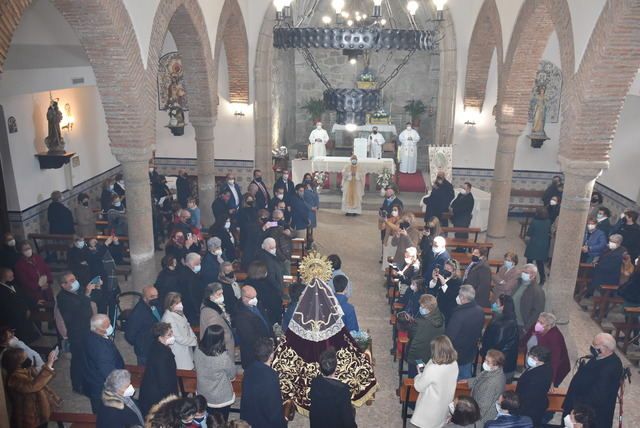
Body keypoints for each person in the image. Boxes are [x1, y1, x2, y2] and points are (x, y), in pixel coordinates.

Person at [562, 333, 623, 428]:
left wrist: (578, 410)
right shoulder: (600, 356)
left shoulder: (611, 367)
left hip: (589, 413)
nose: (592, 347)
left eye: (595, 346)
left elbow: (598, 395)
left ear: (606, 348)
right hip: (578, 403)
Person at [2, 346, 61, 428]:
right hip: (27, 418)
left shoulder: (27, 370)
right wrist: (48, 366)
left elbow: (42, 383)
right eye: (24, 359)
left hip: (39, 412)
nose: (28, 359)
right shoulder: (14, 379)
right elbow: (33, 386)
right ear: (16, 364)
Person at [56, 272, 94, 393]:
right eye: (71, 280)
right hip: (77, 332)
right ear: (63, 285)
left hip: (87, 329)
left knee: (86, 357)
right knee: (78, 359)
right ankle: (77, 386)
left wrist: (95, 288)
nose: (75, 282)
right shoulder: (63, 298)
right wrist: (87, 295)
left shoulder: (77, 291)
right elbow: (80, 313)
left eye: (75, 278)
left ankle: (86, 381)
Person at [410, 335, 459, 428]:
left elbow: (419, 386)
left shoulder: (434, 368)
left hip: (431, 407)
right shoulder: (454, 363)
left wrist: (419, 375)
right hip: (444, 404)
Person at [240, 338, 287, 428]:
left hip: (249, 418)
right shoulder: (271, 376)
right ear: (271, 356)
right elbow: (274, 408)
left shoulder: (249, 369)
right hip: (264, 422)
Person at [194, 324, 237, 422]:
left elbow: (196, 366)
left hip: (203, 391)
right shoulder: (222, 357)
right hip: (220, 396)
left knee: (209, 417)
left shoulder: (197, 349)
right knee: (221, 419)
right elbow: (232, 373)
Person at [83, 314, 124, 413]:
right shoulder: (102, 349)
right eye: (107, 325)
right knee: (103, 411)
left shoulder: (90, 335)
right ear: (98, 329)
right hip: (101, 385)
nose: (111, 327)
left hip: (93, 378)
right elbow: (108, 372)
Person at [310, 347, 357, 428]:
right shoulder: (342, 390)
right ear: (335, 369)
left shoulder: (314, 382)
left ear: (320, 368)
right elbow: (347, 420)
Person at [139, 322, 179, 416]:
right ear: (160, 337)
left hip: (153, 389)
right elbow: (164, 381)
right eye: (169, 334)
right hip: (157, 396)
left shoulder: (157, 346)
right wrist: (172, 399)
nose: (172, 336)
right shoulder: (162, 355)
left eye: (172, 332)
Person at [445, 284, 484, 380]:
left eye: (459, 295)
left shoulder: (459, 314)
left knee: (454, 378)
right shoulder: (479, 310)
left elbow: (450, 336)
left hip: (456, 352)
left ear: (463, 298)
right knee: (466, 378)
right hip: (470, 350)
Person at [522, 312, 570, 388]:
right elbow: (525, 339)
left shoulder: (555, 337)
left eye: (542, 323)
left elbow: (555, 360)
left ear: (549, 326)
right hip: (533, 360)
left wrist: (551, 380)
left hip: (554, 367)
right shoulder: (536, 325)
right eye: (538, 320)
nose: (538, 324)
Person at [481, 295, 519, 381]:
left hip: (497, 364)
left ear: (503, 307)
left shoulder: (502, 325)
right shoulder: (511, 320)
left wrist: (484, 350)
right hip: (507, 364)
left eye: (497, 303)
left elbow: (496, 345)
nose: (494, 304)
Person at [234, 285, 273, 369]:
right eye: (252, 297)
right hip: (254, 353)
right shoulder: (240, 314)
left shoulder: (258, 304)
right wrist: (266, 344)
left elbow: (266, 320)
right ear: (244, 298)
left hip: (266, 347)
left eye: (255, 296)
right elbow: (249, 337)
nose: (255, 299)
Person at [406, 294, 445, 378]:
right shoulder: (441, 317)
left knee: (415, 377)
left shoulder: (419, 323)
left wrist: (411, 323)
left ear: (428, 308)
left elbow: (411, 335)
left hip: (418, 355)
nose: (420, 308)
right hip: (432, 354)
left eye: (422, 306)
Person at [515, 346, 553, 427]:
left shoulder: (537, 377)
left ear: (540, 360)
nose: (529, 358)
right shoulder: (543, 367)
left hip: (529, 409)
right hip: (536, 405)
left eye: (533, 357)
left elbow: (528, 397)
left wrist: (518, 409)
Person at [0, 268, 40, 343]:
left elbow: (23, 296)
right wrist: (24, 310)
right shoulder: (2, 291)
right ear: (3, 277)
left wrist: (34, 302)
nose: (13, 278)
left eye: (13, 276)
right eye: (10, 277)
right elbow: (9, 306)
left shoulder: (14, 285)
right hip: (12, 320)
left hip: (22, 316)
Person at [125, 285, 161, 365]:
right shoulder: (138, 313)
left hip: (156, 347)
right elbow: (129, 335)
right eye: (152, 296)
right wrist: (141, 343)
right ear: (144, 298)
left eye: (157, 296)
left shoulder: (156, 305)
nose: (155, 298)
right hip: (145, 351)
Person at [468, 349, 506, 426]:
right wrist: (468, 381)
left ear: (496, 365)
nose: (485, 363)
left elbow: (483, 406)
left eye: (488, 362)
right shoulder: (495, 371)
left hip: (483, 416)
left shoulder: (492, 383)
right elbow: (482, 376)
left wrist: (472, 420)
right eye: (485, 360)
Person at [161, 292, 198, 370]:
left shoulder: (179, 312)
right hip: (179, 350)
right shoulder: (168, 318)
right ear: (170, 305)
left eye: (180, 301)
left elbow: (187, 325)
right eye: (177, 303)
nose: (180, 304)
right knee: (183, 371)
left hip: (186, 346)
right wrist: (194, 341)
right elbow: (177, 337)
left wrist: (194, 337)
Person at [200, 283, 235, 356]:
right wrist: (228, 338)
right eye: (219, 294)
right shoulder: (210, 313)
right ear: (211, 296)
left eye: (222, 293)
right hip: (221, 348)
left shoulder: (216, 305)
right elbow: (215, 334)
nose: (222, 296)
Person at [249, 260, 284, 327]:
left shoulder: (248, 283)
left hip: (254, 318)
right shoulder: (268, 284)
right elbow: (276, 301)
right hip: (269, 316)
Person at [512, 264, 545, 333]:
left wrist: (527, 327)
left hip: (522, 325)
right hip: (512, 321)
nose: (523, 274)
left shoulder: (537, 291)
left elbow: (537, 312)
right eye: (523, 272)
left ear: (533, 275)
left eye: (526, 273)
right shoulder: (518, 283)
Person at [524, 207, 552, 285]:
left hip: (533, 244)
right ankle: (542, 279)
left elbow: (529, 233)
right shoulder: (548, 222)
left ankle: (528, 276)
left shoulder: (534, 222)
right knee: (540, 263)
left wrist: (526, 241)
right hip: (543, 245)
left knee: (529, 262)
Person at [430, 259, 462, 323]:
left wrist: (443, 284)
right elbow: (433, 288)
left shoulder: (457, 281)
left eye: (448, 269)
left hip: (448, 309)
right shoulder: (443, 276)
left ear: (454, 271)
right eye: (445, 268)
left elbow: (451, 295)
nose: (446, 270)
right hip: (438, 306)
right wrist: (434, 280)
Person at [177, 252, 205, 325]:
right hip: (192, 312)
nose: (199, 266)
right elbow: (191, 296)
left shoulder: (184, 272)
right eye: (198, 264)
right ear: (192, 263)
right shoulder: (190, 278)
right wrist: (198, 312)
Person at [381, 204, 402, 271]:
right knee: (386, 257)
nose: (393, 211)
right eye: (393, 210)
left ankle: (392, 272)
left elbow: (396, 228)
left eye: (395, 210)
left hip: (395, 240)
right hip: (388, 239)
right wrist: (381, 220)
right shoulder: (389, 219)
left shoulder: (401, 220)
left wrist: (387, 221)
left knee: (393, 257)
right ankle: (386, 272)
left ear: (399, 211)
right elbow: (382, 227)